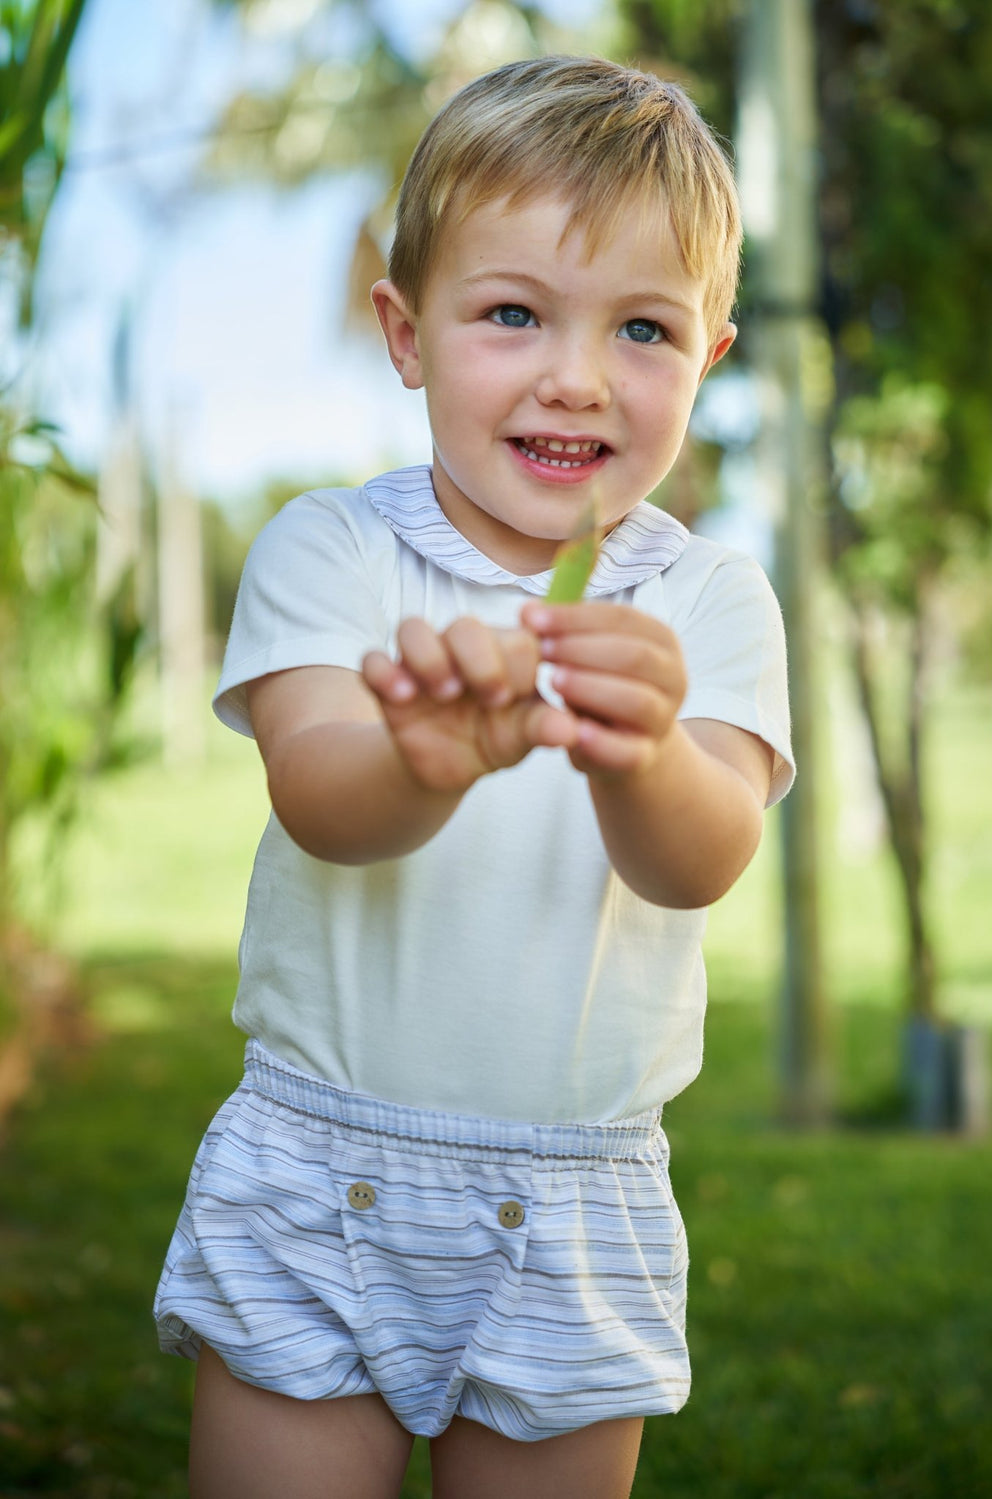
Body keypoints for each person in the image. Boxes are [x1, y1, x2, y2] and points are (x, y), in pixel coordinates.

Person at [154, 54, 794, 1499]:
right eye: (514, 314)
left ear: (708, 358)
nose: (577, 376)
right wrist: (422, 761)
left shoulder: (708, 603)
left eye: (643, 328)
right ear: (406, 331)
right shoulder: (332, 550)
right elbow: (321, 796)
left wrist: (643, 754)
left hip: (577, 1202)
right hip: (317, 1175)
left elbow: (700, 859)